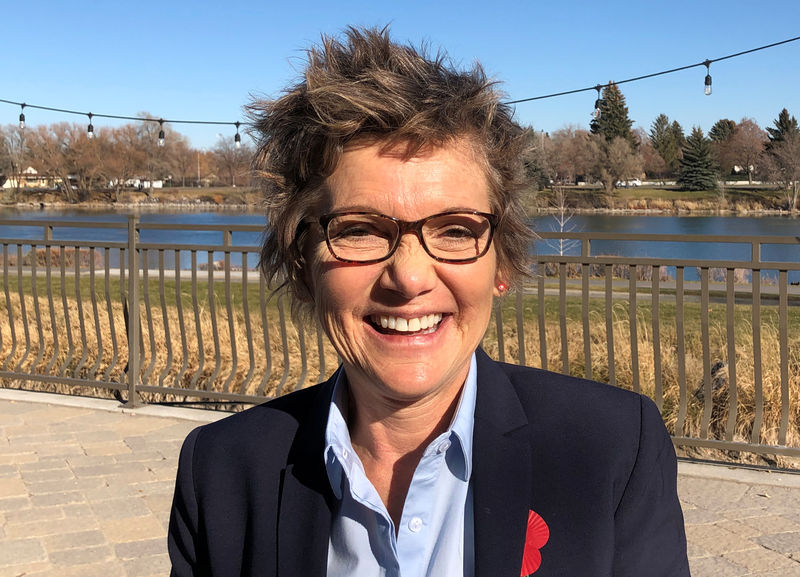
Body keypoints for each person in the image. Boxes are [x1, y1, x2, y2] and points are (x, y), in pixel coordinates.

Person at [168, 26, 689, 577]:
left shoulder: (611, 449)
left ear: (502, 265)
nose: (410, 276)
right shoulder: (221, 472)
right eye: (360, 229)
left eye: (457, 230)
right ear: (302, 266)